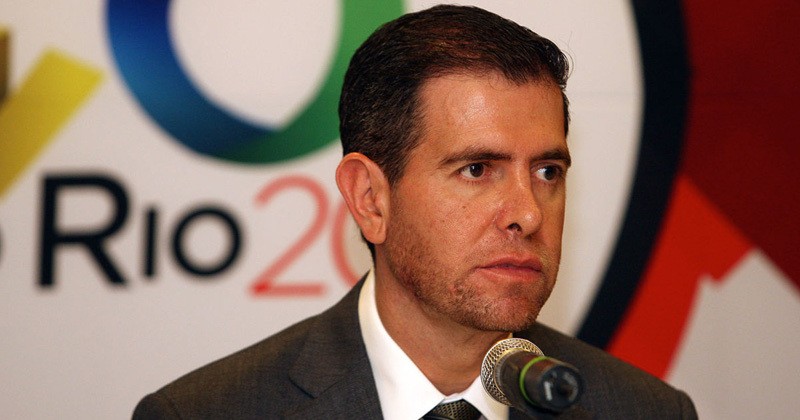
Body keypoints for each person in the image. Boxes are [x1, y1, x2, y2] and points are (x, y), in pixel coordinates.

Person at [133, 5, 697, 420]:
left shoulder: (643, 412)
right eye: (477, 169)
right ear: (369, 199)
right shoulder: (207, 413)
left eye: (548, 172)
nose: (528, 214)